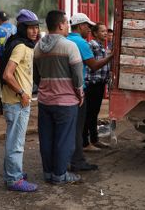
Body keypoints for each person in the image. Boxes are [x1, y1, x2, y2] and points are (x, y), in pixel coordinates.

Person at [33, 10, 84, 184]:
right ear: (61, 24)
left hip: (45, 100)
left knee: (46, 138)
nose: (68, 27)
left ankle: (48, 173)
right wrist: (80, 93)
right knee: (64, 140)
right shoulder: (69, 46)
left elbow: (36, 76)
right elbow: (78, 76)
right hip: (66, 101)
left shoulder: (38, 47)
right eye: (66, 24)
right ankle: (60, 175)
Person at [67, 13, 113, 172]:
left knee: (74, 124)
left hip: (65, 90)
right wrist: (110, 57)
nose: (89, 29)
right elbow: (93, 65)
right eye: (88, 26)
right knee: (81, 123)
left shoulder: (65, 40)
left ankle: (71, 156)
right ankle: (79, 157)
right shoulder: (83, 43)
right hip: (82, 88)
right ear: (81, 26)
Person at [1, 9, 39, 192]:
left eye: (36, 27)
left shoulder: (22, 44)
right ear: (23, 28)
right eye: (30, 28)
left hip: (16, 101)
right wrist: (23, 93)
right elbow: (7, 74)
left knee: (14, 140)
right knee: (16, 142)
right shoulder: (21, 47)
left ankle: (12, 173)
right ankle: (14, 179)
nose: (34, 31)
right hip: (17, 102)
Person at [84, 23, 111, 151]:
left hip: (100, 84)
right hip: (92, 85)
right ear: (95, 33)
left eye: (106, 31)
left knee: (94, 114)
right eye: (102, 31)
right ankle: (86, 142)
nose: (105, 33)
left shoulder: (102, 47)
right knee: (89, 113)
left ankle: (94, 140)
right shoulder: (92, 45)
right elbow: (93, 65)